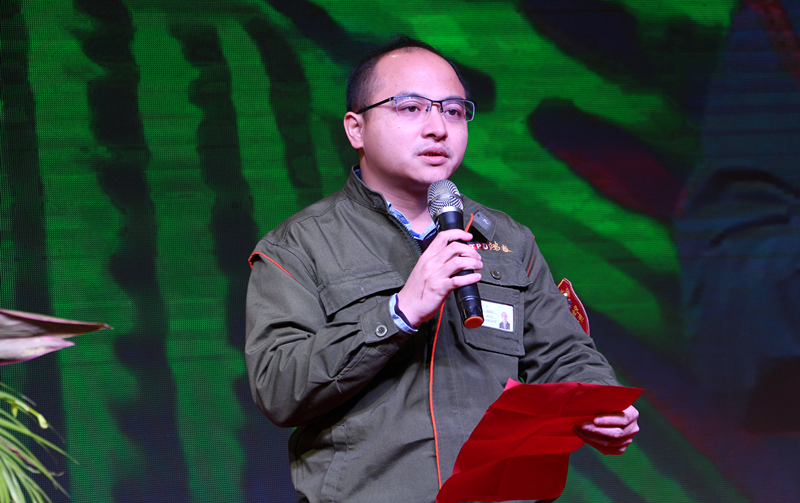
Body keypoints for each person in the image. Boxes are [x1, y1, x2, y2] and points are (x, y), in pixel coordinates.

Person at [245, 36, 639, 503]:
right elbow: (278, 389)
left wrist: (599, 402)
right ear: (356, 129)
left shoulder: (509, 239)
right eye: (411, 108)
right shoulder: (298, 245)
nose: (438, 128)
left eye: (453, 111)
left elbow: (564, 353)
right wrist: (398, 313)